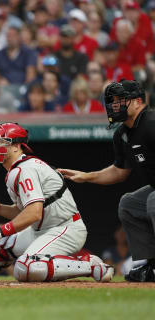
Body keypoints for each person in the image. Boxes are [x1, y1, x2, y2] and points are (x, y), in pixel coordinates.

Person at [0, 122, 113, 282]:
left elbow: (34, 213)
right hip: (42, 229)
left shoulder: (24, 169)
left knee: (26, 267)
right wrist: (1, 209)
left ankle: (90, 264)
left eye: (0, 141)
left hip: (65, 228)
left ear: (16, 146)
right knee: (0, 245)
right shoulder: (19, 168)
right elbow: (26, 211)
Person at [59, 80, 155, 282]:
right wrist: (87, 176)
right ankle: (151, 265)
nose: (115, 106)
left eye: (121, 101)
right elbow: (120, 172)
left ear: (138, 102)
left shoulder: (151, 123)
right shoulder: (122, 134)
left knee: (153, 200)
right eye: (113, 101)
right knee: (129, 204)